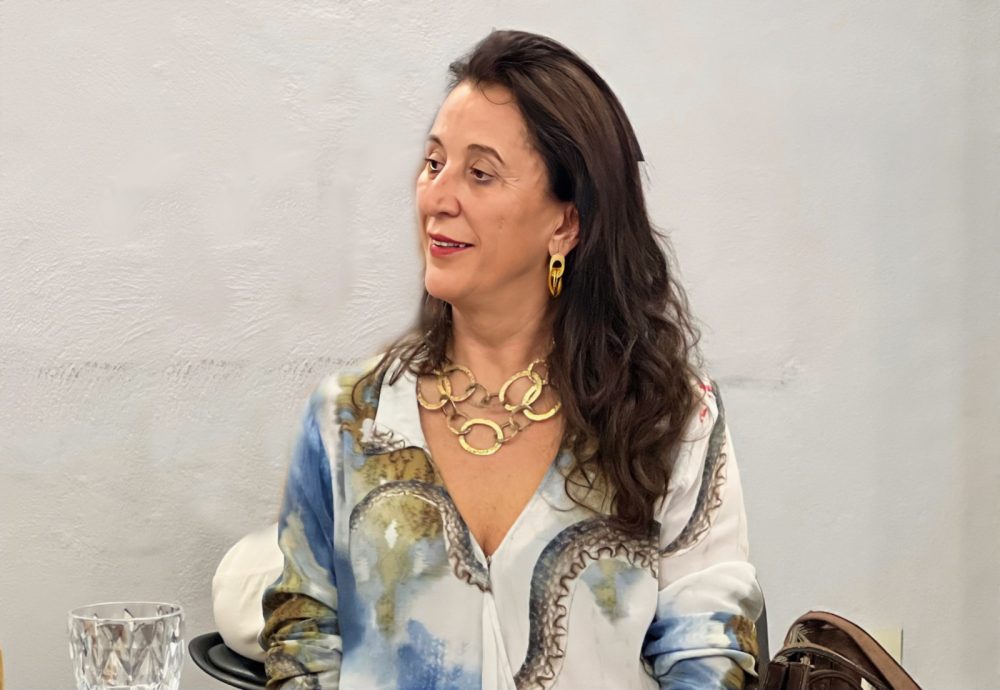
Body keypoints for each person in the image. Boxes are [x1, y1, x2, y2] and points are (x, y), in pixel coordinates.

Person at [252, 29, 763, 690]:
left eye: (480, 173)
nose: (438, 197)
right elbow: (303, 640)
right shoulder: (348, 420)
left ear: (565, 224)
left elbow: (709, 658)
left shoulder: (670, 419)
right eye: (434, 163)